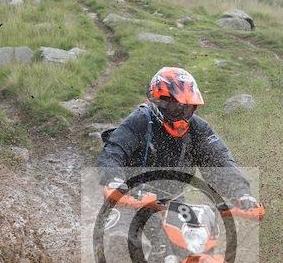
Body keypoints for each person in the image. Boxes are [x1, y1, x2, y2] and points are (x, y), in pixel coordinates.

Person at [97, 66, 259, 211]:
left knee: (197, 233)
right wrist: (113, 180)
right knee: (119, 233)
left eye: (188, 109)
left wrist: (241, 193)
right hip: (129, 198)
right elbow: (113, 150)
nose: (182, 115)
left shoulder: (198, 128)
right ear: (159, 102)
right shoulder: (141, 120)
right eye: (176, 108)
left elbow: (220, 161)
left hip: (171, 204)